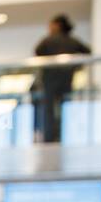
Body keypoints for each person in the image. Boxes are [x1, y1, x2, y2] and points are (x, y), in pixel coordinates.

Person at [33, 14, 91, 144]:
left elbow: (37, 53)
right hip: (66, 80)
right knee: (66, 108)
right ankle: (64, 136)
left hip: (50, 80)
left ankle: (49, 139)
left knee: (48, 111)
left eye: (51, 24)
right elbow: (87, 52)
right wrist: (75, 66)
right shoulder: (73, 41)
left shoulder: (48, 40)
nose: (49, 27)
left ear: (58, 25)